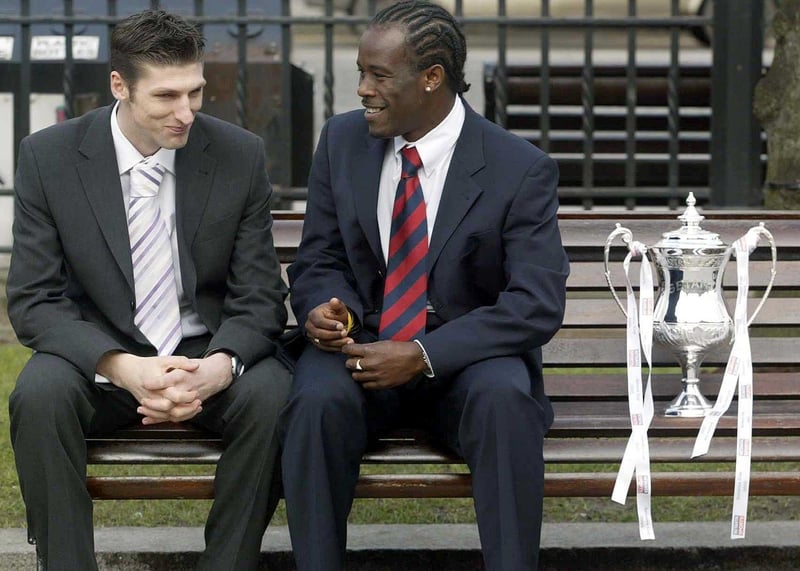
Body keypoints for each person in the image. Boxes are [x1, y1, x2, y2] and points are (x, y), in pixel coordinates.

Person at [278, 1, 569, 569]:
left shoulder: (518, 167)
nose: (362, 89)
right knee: (313, 400)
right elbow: (319, 256)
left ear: (432, 78)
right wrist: (323, 308)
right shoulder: (342, 141)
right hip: (362, 352)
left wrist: (422, 353)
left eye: (379, 75)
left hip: (466, 359)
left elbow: (536, 304)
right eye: (361, 72)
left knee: (505, 399)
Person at [6, 9, 291, 571]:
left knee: (274, 395)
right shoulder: (49, 156)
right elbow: (35, 300)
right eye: (166, 97)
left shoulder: (238, 154)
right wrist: (121, 366)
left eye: (196, 91)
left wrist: (219, 366)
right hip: (99, 356)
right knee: (38, 396)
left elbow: (259, 294)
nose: (186, 112)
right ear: (120, 86)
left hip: (201, 351)